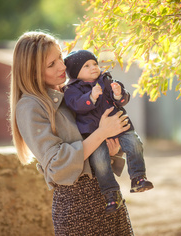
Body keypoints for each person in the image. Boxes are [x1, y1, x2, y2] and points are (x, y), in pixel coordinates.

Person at [10, 31, 134, 236]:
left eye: (60, 56)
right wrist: (103, 132)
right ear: (32, 72)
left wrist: (111, 150)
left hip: (108, 195)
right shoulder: (30, 107)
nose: (62, 66)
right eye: (51, 64)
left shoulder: (70, 94)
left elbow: (87, 144)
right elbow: (58, 165)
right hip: (78, 207)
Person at [64, 50, 153, 213]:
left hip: (119, 126)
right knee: (100, 161)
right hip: (94, 134)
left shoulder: (106, 80)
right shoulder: (72, 89)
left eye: (95, 63)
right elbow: (75, 105)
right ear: (76, 73)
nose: (93, 68)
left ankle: (138, 177)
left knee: (135, 143)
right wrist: (90, 98)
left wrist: (119, 95)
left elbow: (122, 100)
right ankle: (111, 194)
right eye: (86, 66)